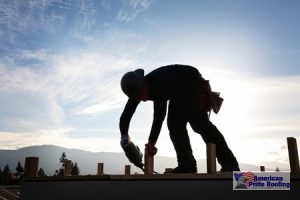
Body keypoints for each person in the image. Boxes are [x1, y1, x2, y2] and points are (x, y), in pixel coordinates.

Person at [119, 64, 240, 173]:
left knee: (200, 124)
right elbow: (125, 116)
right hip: (176, 93)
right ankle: (187, 165)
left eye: (140, 95)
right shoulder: (135, 91)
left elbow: (159, 116)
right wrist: (125, 138)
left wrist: (152, 142)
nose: (140, 99)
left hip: (192, 84)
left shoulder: (159, 83)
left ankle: (230, 164)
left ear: (145, 85)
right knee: (174, 126)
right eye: (136, 97)